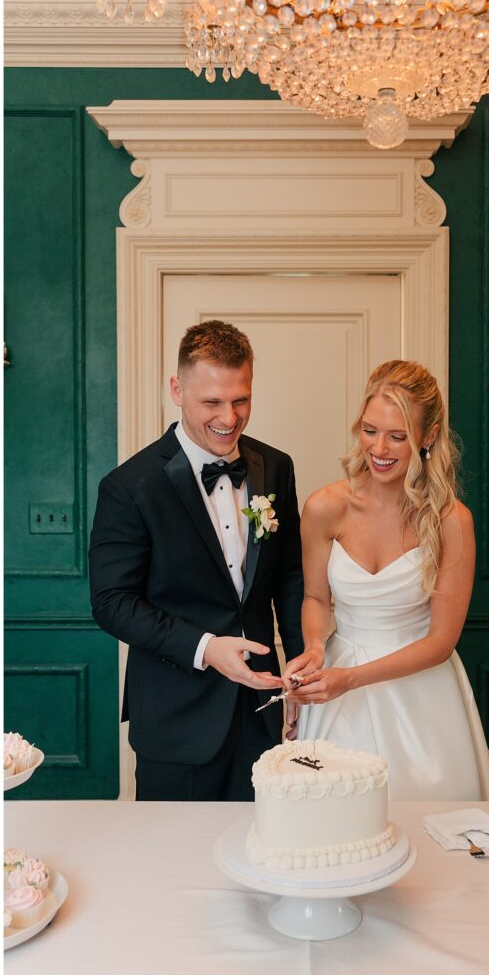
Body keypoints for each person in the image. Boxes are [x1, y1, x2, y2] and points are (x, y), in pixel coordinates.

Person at [284, 359, 489, 801]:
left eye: (398, 436)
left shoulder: (453, 521)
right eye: (370, 430)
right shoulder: (324, 507)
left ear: (427, 437)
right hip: (338, 688)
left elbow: (441, 641)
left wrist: (350, 679)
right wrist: (316, 648)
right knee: (336, 820)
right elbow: (315, 598)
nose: (379, 448)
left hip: (423, 694)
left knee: (433, 827)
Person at [89, 321, 304, 801]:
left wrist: (299, 668)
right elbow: (111, 602)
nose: (229, 417)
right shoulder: (128, 486)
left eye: (241, 399)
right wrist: (206, 648)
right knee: (172, 863)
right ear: (176, 389)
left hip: (262, 711)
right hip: (175, 717)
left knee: (264, 855)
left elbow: (289, 574)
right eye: (211, 402)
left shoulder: (276, 466)